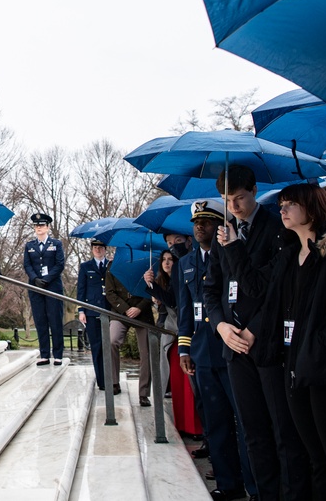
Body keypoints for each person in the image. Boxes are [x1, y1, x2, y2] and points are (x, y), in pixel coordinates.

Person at [219, 183, 326, 501]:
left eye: (289, 204)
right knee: (318, 462)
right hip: (296, 372)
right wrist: (233, 247)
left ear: (310, 207)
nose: (282, 209)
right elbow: (257, 289)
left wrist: (315, 345)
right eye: (280, 204)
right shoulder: (288, 254)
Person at [205, 165, 309, 501]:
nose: (233, 206)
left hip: (268, 344)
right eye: (227, 200)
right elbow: (211, 290)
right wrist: (221, 326)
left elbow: (274, 290)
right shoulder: (223, 233)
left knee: (283, 432)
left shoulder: (278, 228)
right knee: (252, 432)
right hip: (232, 345)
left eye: (239, 198)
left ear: (253, 190)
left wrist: (253, 330)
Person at [177, 200, 256, 501]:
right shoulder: (186, 263)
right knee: (216, 422)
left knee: (245, 421)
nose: (200, 227)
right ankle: (228, 483)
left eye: (207, 222)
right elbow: (186, 310)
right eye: (197, 222)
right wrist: (185, 349)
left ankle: (253, 484)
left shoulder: (232, 252)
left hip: (232, 346)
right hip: (202, 352)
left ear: (219, 226)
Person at [105, 263, 154, 403]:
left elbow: (151, 290)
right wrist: (126, 309)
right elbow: (110, 292)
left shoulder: (146, 264)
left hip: (142, 313)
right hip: (121, 312)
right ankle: (114, 382)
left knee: (147, 352)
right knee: (112, 340)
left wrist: (139, 308)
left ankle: (143, 393)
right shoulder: (112, 266)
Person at [23, 213, 66, 365]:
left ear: (47, 227)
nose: (39, 228)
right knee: (40, 321)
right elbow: (27, 265)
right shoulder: (29, 246)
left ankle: (58, 354)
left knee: (55, 320)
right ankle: (44, 354)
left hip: (53, 287)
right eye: (36, 225)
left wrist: (46, 279)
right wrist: (35, 279)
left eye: (41, 225)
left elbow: (60, 264)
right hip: (35, 288)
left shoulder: (56, 244)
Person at [77, 239, 111, 390]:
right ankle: (102, 381)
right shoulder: (85, 267)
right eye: (95, 247)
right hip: (91, 312)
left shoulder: (111, 265)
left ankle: (112, 379)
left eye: (100, 247)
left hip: (110, 311)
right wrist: (81, 310)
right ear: (91, 250)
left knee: (110, 347)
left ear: (105, 249)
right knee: (96, 347)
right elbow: (81, 290)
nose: (98, 250)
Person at [144, 249, 178, 398]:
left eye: (170, 259)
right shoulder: (160, 280)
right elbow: (163, 307)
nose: (167, 262)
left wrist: (153, 288)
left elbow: (172, 301)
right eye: (164, 259)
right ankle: (167, 386)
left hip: (176, 323)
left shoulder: (177, 279)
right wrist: (156, 302)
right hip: (165, 322)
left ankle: (171, 386)